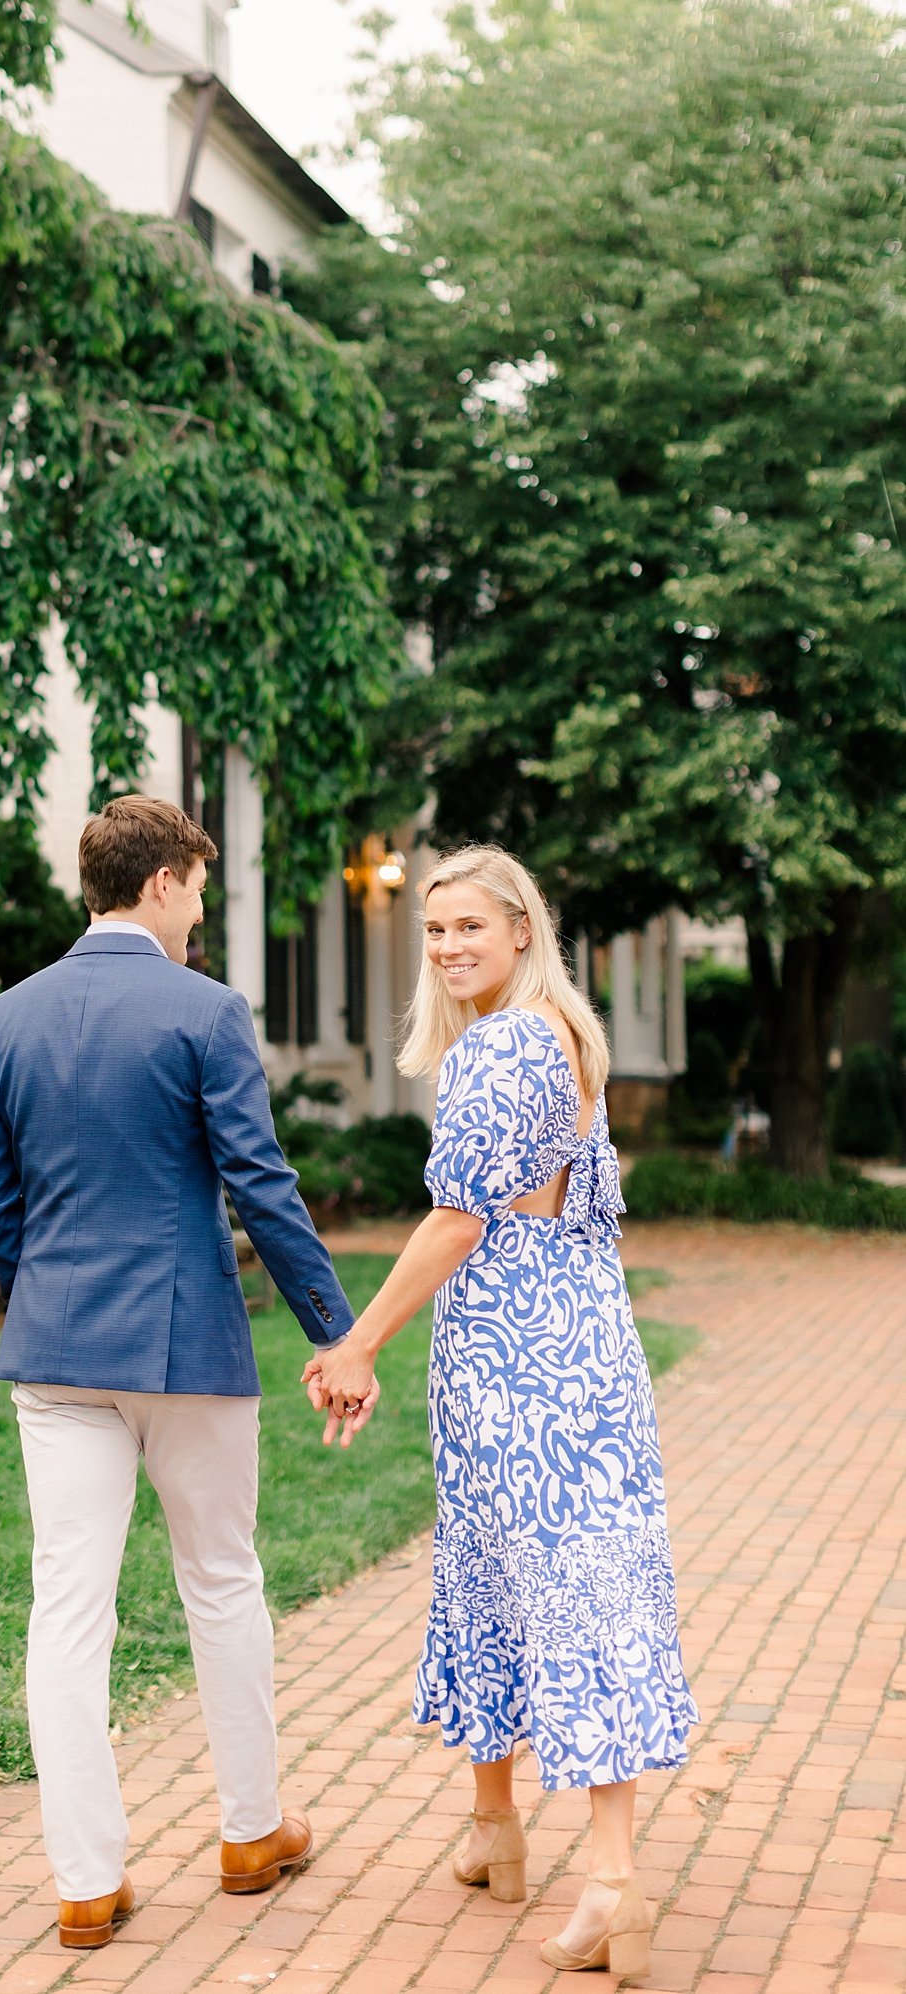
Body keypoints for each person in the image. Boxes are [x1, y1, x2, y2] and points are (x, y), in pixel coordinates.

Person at [0, 795, 375, 1950]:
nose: (200, 912)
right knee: (223, 1581)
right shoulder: (206, 1011)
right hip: (189, 1346)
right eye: (197, 888)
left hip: (56, 1353)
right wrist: (332, 1331)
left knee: (68, 1606)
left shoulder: (4, 1018)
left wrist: (44, 1291)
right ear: (157, 885)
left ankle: (86, 1883)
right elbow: (260, 1180)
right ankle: (250, 1833)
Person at [305, 844, 695, 1985]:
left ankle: (613, 1880)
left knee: (562, 1594)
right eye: (433, 931)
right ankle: (494, 1824)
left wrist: (358, 1340)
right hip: (585, 1353)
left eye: (470, 926)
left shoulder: (502, 1049)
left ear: (524, 930)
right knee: (512, 1576)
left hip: (517, 1365)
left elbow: (457, 1222)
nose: (448, 947)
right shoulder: (570, 1043)